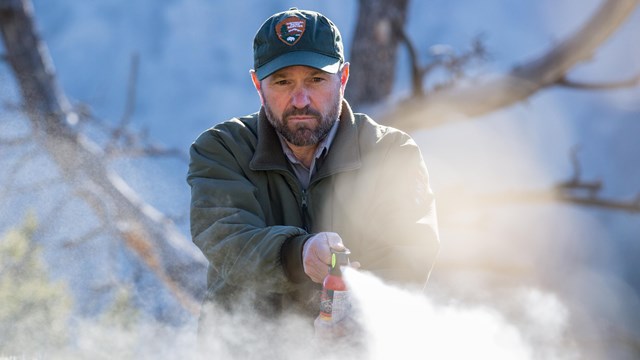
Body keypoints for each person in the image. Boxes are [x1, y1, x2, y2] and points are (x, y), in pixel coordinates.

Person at [187, 7, 439, 335]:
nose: (301, 99)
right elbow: (227, 240)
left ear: (344, 79)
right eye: (282, 81)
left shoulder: (391, 153)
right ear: (257, 85)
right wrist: (299, 253)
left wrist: (356, 317)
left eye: (316, 79)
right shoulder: (222, 149)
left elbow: (410, 250)